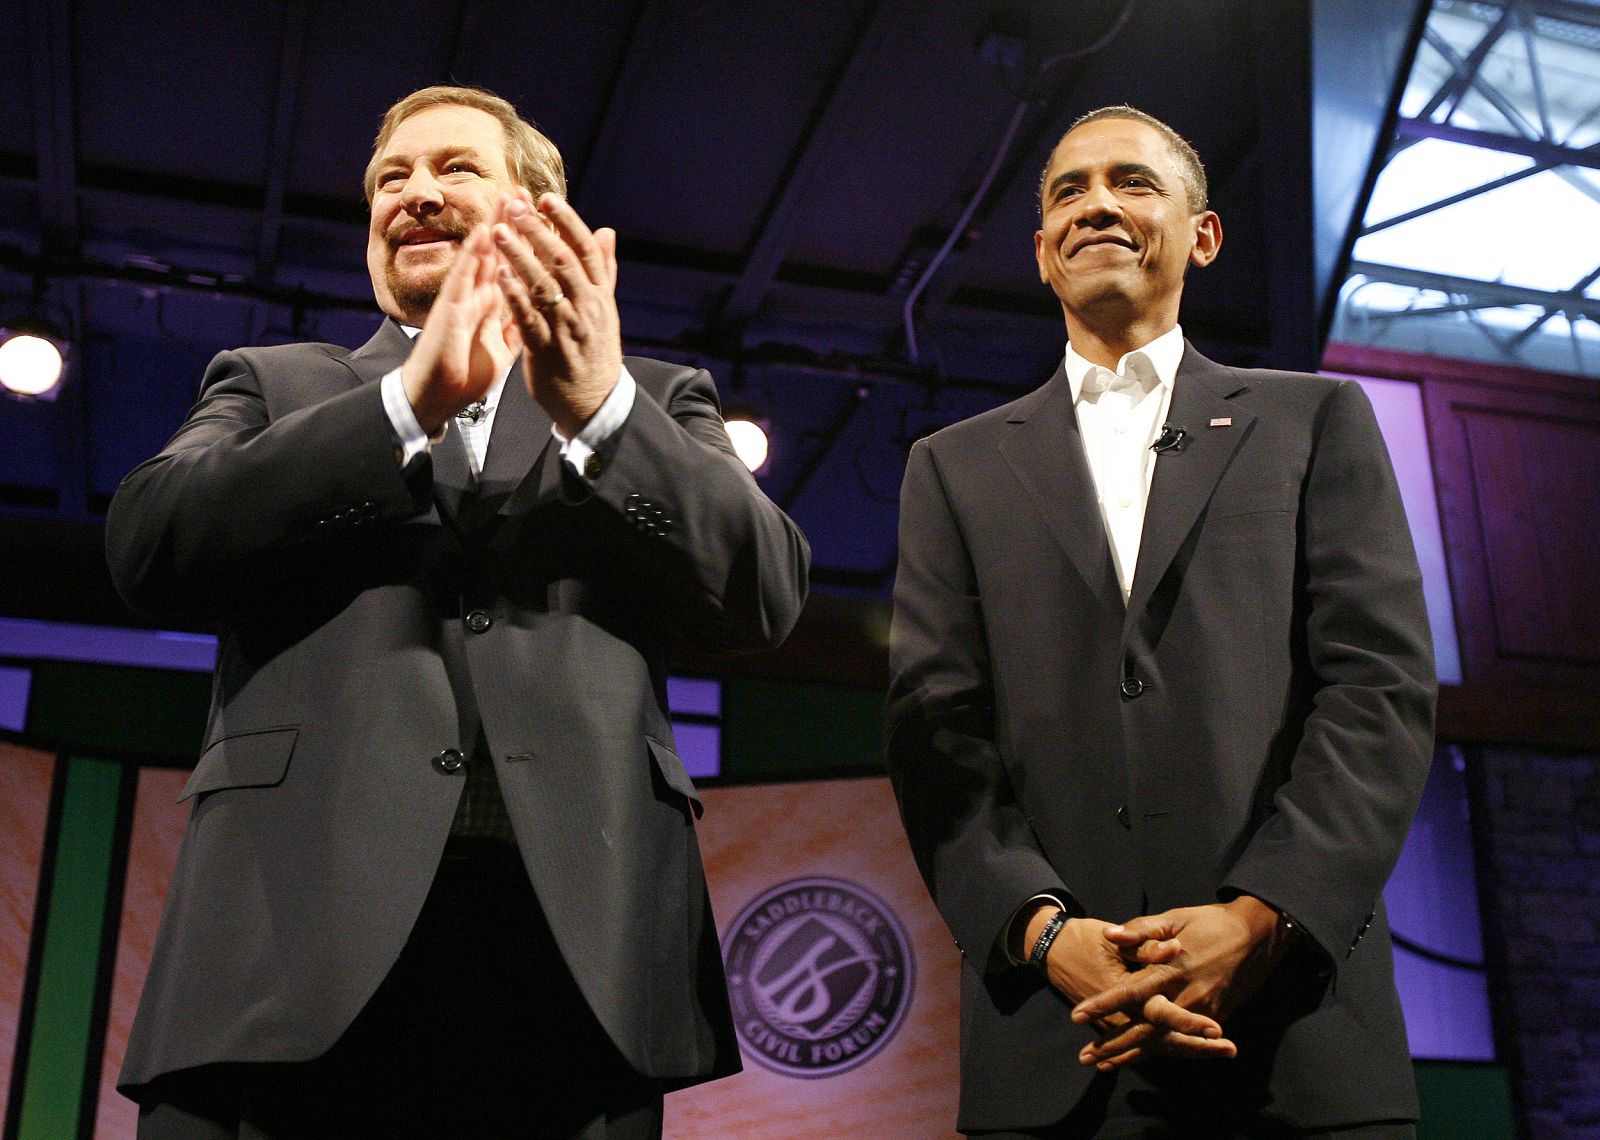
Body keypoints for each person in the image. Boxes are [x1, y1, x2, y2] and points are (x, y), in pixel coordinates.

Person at [108, 84, 809, 1139]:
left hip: (576, 968)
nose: (414, 196)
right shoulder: (274, 385)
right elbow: (148, 546)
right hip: (283, 963)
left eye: (454, 170)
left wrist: (599, 411)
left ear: (540, 213)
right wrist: (406, 406)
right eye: (392, 179)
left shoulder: (657, 400)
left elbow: (767, 594)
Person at [885, 105, 1435, 1138]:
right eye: (1067, 191)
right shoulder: (950, 470)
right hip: (1059, 1046)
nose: (1096, 201)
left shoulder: (1315, 422)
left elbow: (1379, 691)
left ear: (1202, 235)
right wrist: (1044, 936)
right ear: (1042, 254)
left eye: (1133, 182)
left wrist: (1259, 918)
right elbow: (934, 731)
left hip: (1295, 1039)